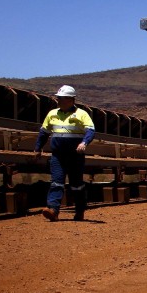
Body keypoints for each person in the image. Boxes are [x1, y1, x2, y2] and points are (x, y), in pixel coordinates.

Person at [33, 85, 95, 221]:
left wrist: (84, 143)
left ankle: (79, 210)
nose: (58, 100)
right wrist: (38, 149)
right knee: (56, 182)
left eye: (60, 98)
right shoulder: (52, 114)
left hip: (75, 156)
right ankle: (53, 210)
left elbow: (91, 130)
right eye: (58, 98)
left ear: (71, 100)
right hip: (58, 155)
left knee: (76, 185)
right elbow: (44, 133)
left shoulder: (81, 114)